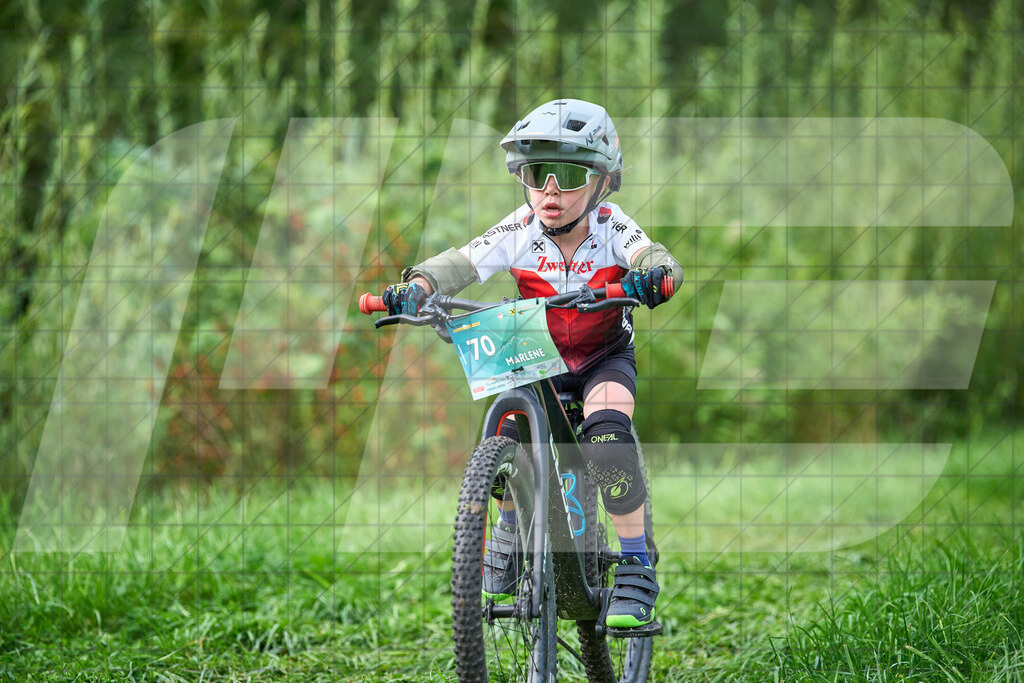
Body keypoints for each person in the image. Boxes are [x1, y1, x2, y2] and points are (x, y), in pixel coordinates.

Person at [381, 99, 681, 630]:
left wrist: (655, 277)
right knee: (504, 430)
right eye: (536, 173)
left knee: (607, 438)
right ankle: (507, 523)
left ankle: (635, 564)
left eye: (567, 174)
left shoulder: (613, 227)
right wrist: (417, 287)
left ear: (603, 182)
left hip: (601, 359)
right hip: (534, 353)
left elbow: (652, 257)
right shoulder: (519, 227)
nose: (550, 190)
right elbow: (463, 262)